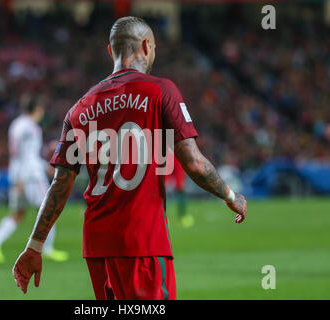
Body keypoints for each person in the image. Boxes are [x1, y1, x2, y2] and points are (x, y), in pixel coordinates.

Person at [12, 16, 247, 300]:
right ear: (147, 46)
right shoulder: (160, 90)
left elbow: (60, 186)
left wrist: (34, 246)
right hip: (142, 241)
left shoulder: (78, 109)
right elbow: (194, 163)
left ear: (111, 51)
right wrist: (231, 195)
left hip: (98, 246)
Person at [0, 94, 68, 263]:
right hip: (30, 176)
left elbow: (21, 154)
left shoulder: (16, 125)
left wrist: (42, 167)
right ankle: (48, 249)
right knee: (48, 209)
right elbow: (27, 156)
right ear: (37, 109)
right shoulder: (31, 128)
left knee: (18, 214)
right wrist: (30, 174)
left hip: (16, 173)